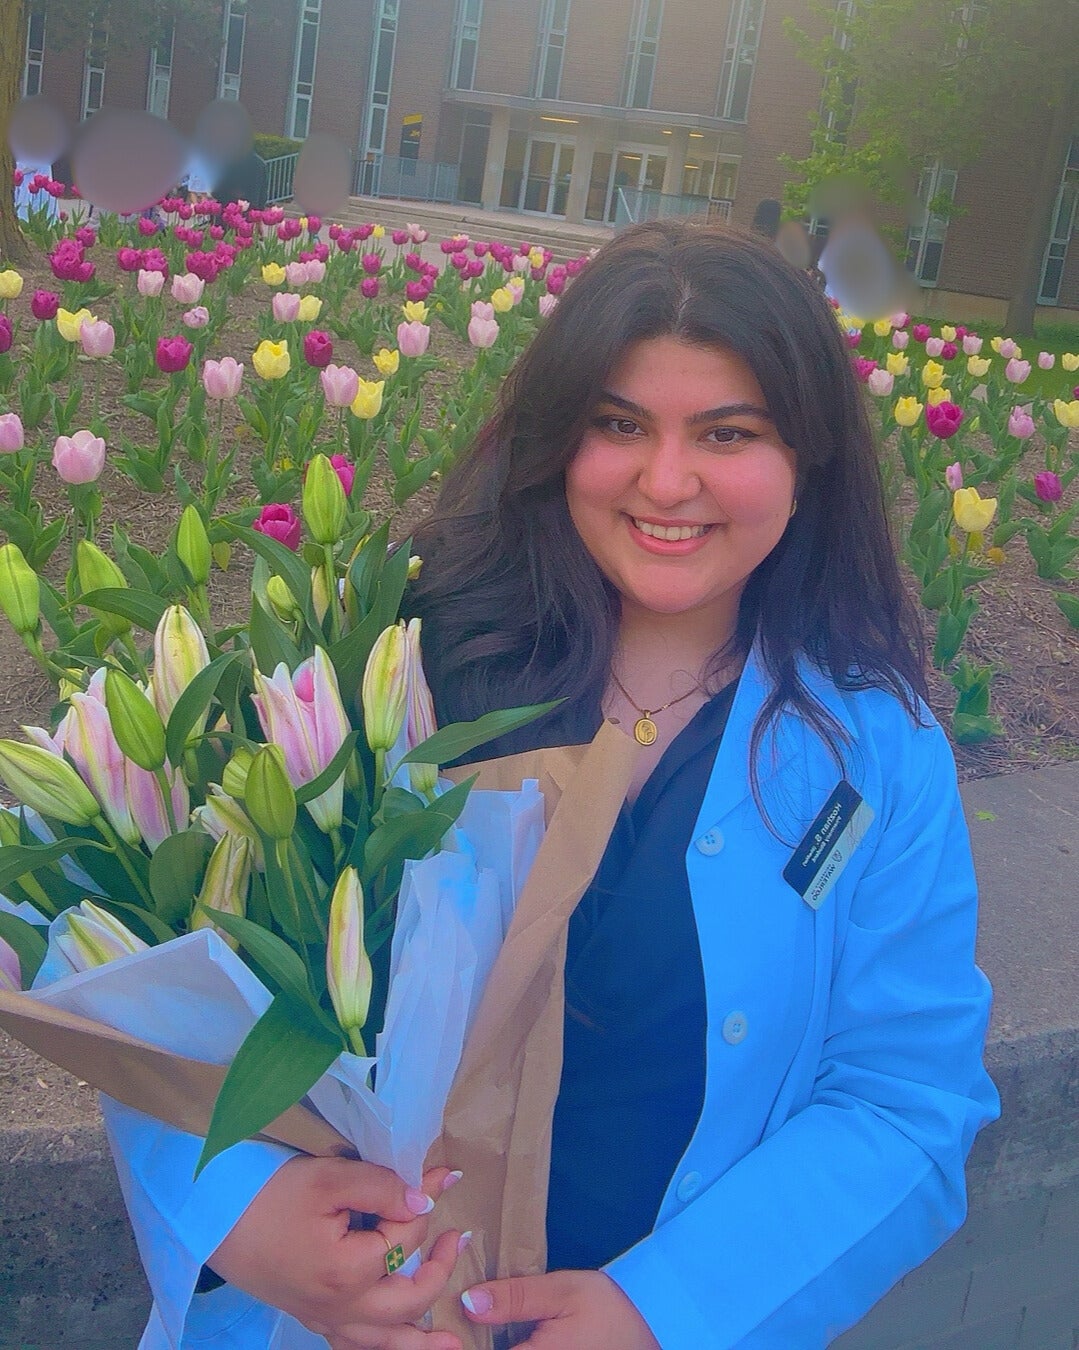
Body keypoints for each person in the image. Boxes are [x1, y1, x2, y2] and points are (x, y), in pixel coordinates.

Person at [106, 219, 998, 1348]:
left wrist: (662, 1310)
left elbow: (902, 1100)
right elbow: (151, 964)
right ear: (554, 436)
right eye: (617, 424)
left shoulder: (871, 749)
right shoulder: (397, 660)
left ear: (806, 459)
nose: (664, 481)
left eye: (726, 432)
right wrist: (240, 1211)